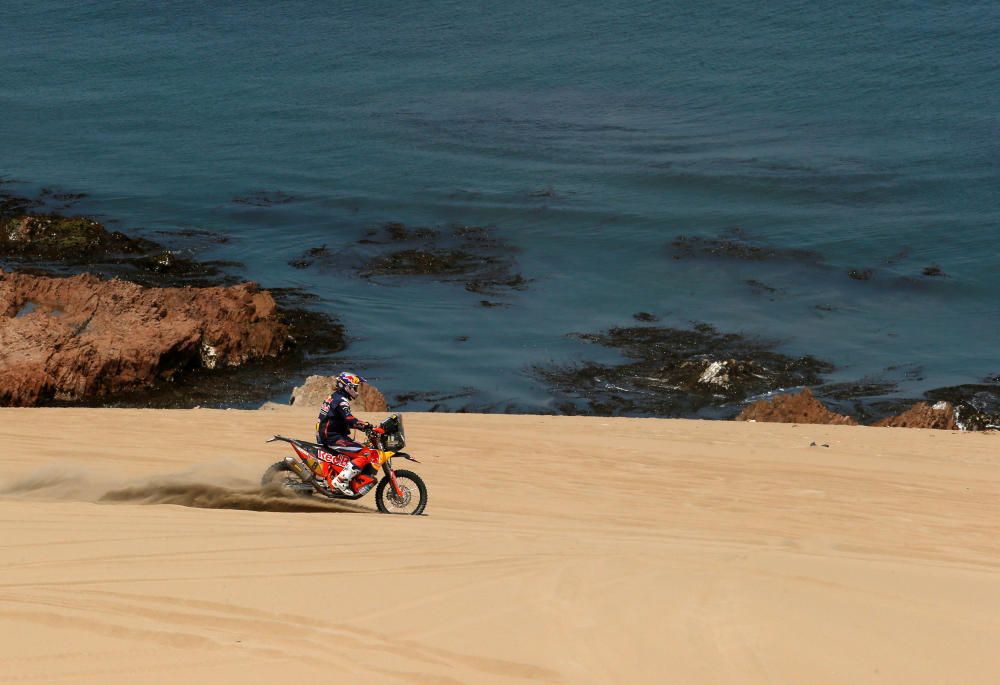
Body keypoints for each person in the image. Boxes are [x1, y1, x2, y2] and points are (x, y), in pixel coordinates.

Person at [315, 372, 382, 495]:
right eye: (355, 387)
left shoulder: (334, 396)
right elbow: (349, 419)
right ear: (347, 387)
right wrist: (365, 425)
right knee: (365, 453)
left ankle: (333, 477)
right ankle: (341, 481)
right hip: (332, 436)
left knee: (354, 450)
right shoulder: (342, 401)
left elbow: (343, 419)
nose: (356, 390)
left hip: (326, 433)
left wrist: (361, 425)